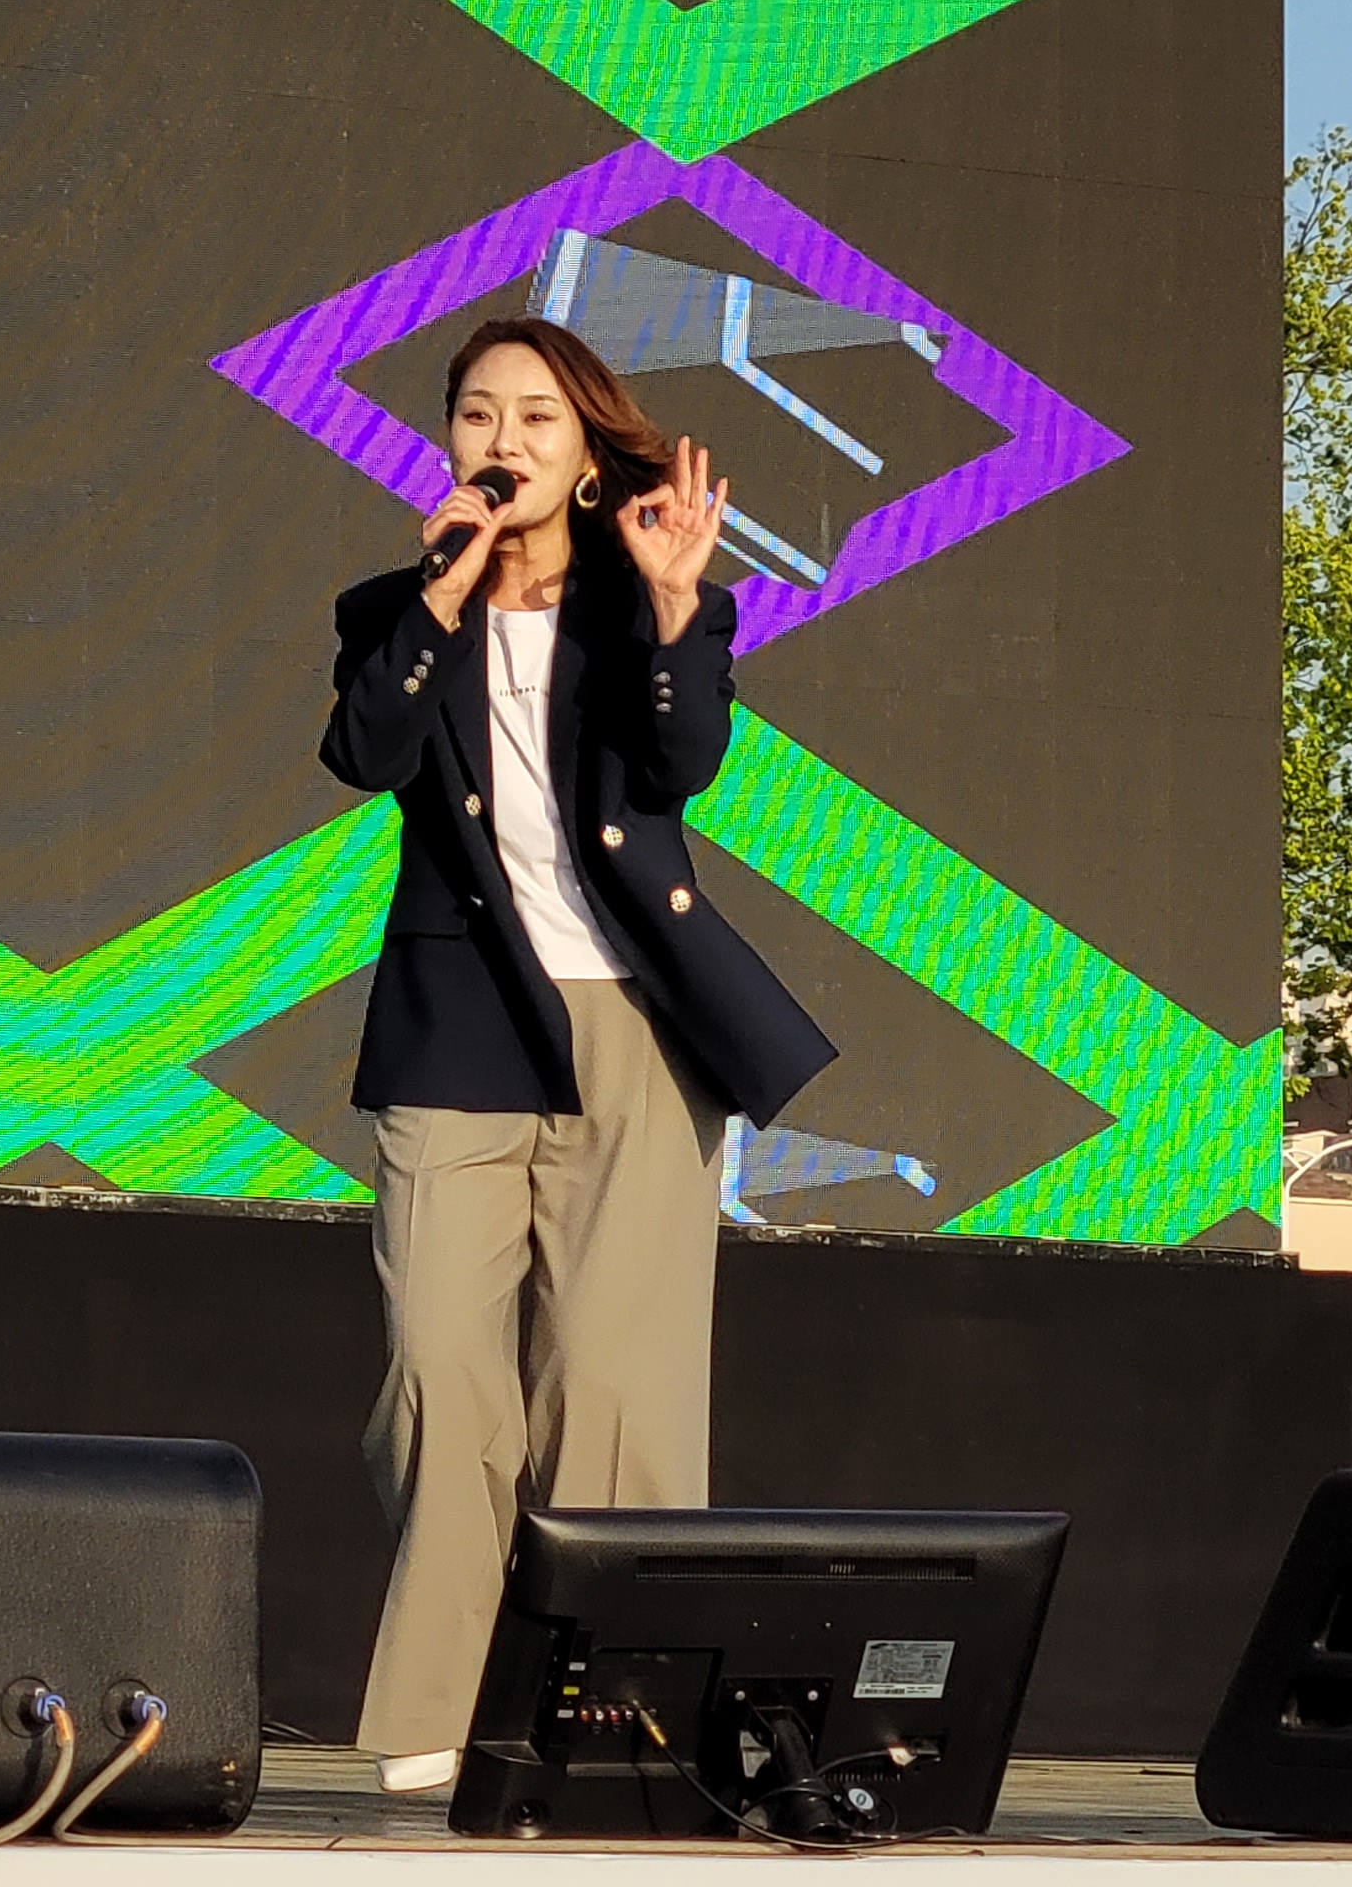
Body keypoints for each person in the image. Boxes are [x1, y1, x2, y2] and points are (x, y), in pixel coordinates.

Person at [321, 315, 839, 1791]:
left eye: (537, 418)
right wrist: (444, 593)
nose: (506, 441)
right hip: (460, 1019)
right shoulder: (395, 607)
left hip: (637, 1024)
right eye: (480, 415)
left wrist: (673, 615)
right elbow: (363, 754)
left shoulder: (653, 600)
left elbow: (679, 767)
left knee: (615, 1383)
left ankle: (617, 1703)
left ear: (587, 448)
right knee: (439, 1368)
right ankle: (441, 1698)